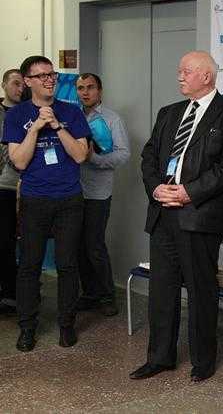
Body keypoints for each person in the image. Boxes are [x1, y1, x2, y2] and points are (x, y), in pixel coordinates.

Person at [134, 51, 223, 382]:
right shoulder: (169, 113)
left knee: (200, 291)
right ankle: (159, 357)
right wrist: (156, 187)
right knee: (161, 291)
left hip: (199, 216)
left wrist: (189, 192)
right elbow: (148, 157)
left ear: (206, 76)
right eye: (179, 70)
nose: (179, 76)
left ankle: (203, 361)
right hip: (163, 213)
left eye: (186, 71)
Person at [1, 56, 90, 351]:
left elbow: (80, 155)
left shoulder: (72, 111)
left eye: (52, 74)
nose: (49, 80)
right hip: (34, 200)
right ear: (28, 81)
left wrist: (57, 126)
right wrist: (35, 128)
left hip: (69, 199)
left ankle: (67, 325)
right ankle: (27, 327)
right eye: (41, 76)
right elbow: (19, 161)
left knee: (67, 265)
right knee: (29, 265)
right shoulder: (17, 115)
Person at [74, 73, 130, 317]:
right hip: (72, 191)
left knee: (94, 245)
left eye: (90, 87)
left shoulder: (111, 119)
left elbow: (123, 153)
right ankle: (90, 294)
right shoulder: (72, 116)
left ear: (100, 90)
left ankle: (108, 296)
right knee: (78, 246)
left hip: (97, 192)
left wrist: (94, 159)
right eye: (80, 88)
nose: (85, 92)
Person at [0, 69, 24, 315]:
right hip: (4, 185)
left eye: (22, 84)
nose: (20, 88)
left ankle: (17, 293)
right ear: (4, 85)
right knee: (3, 242)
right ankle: (8, 292)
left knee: (20, 241)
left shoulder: (29, 112)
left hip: (23, 185)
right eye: (15, 84)